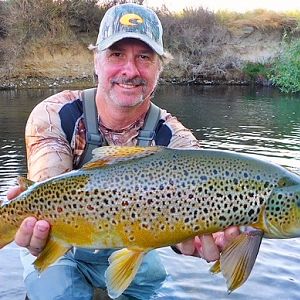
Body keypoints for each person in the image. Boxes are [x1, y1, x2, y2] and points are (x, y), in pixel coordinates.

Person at [7, 3, 239, 300]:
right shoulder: (55, 114)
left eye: (144, 57)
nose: (130, 70)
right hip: (60, 238)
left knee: (153, 275)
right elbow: (48, 196)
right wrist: (31, 223)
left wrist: (189, 239)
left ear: (159, 68)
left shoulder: (173, 137)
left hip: (123, 241)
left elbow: (195, 205)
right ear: (96, 61)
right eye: (117, 54)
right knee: (61, 292)